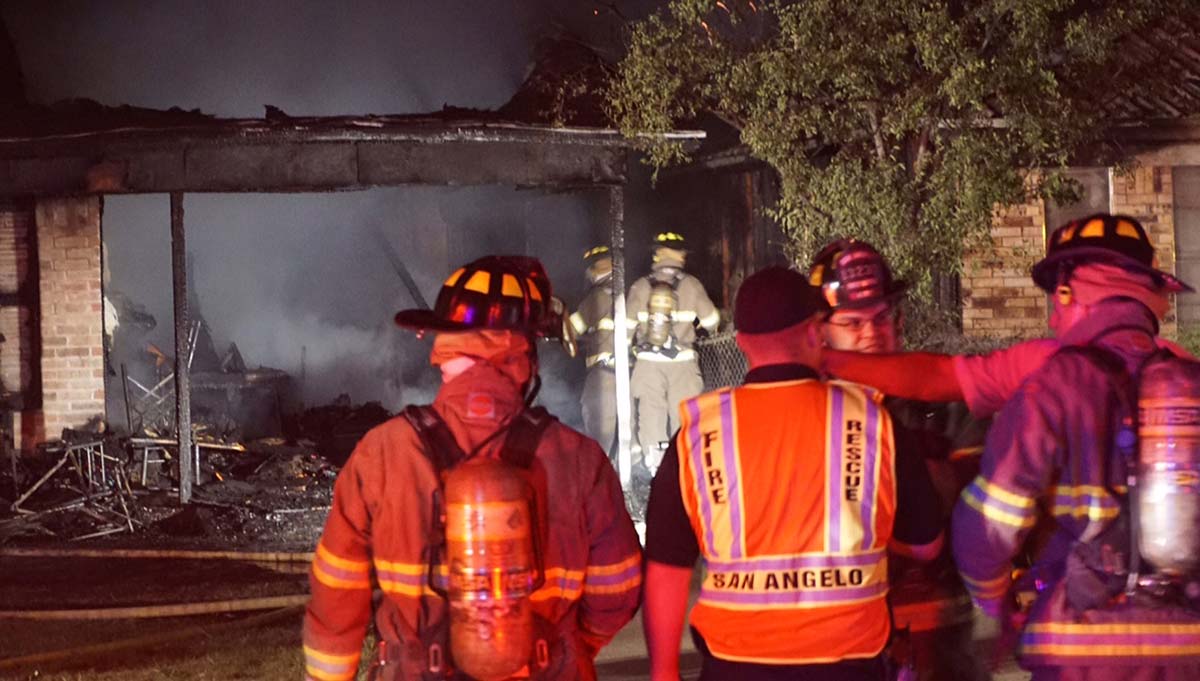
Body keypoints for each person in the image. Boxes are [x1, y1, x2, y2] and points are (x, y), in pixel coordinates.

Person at [302, 255, 643, 681]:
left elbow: (336, 594)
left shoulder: (382, 452)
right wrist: (567, 649)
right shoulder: (578, 458)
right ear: (524, 355)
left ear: (444, 349)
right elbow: (618, 588)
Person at [643, 265, 943, 681]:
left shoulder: (699, 433)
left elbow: (666, 568)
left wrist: (663, 672)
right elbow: (926, 545)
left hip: (735, 668)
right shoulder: (874, 421)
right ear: (813, 332)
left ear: (743, 343)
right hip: (851, 667)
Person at [952, 213, 1200, 680]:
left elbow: (987, 526)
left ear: (1077, 295)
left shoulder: (1056, 384)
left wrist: (992, 599)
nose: (1053, 319)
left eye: (1058, 302)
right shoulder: (1188, 382)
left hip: (1083, 649)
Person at [810, 240, 990, 681]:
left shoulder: (943, 405)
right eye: (852, 323)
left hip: (938, 638)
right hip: (840, 640)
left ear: (900, 321)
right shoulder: (807, 414)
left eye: (881, 319)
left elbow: (977, 511)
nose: (871, 334)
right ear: (821, 333)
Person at [625, 231, 719, 475]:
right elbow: (712, 320)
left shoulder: (640, 286)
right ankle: (685, 466)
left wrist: (627, 352)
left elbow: (625, 326)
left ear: (657, 254)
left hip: (647, 363)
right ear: (680, 256)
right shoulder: (691, 285)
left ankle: (656, 467)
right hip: (683, 363)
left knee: (651, 413)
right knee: (684, 415)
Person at [569, 245, 618, 455]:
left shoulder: (597, 297)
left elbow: (571, 328)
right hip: (626, 369)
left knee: (595, 416)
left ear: (596, 268)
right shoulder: (626, 292)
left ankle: (600, 466)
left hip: (602, 373)